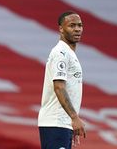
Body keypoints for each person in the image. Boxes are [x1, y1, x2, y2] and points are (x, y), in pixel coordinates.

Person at [38, 11, 86, 149]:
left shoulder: (69, 53)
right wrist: (74, 118)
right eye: (72, 25)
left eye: (80, 25)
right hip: (55, 122)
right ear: (61, 29)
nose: (77, 29)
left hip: (62, 124)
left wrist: (71, 121)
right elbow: (59, 87)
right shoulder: (60, 53)